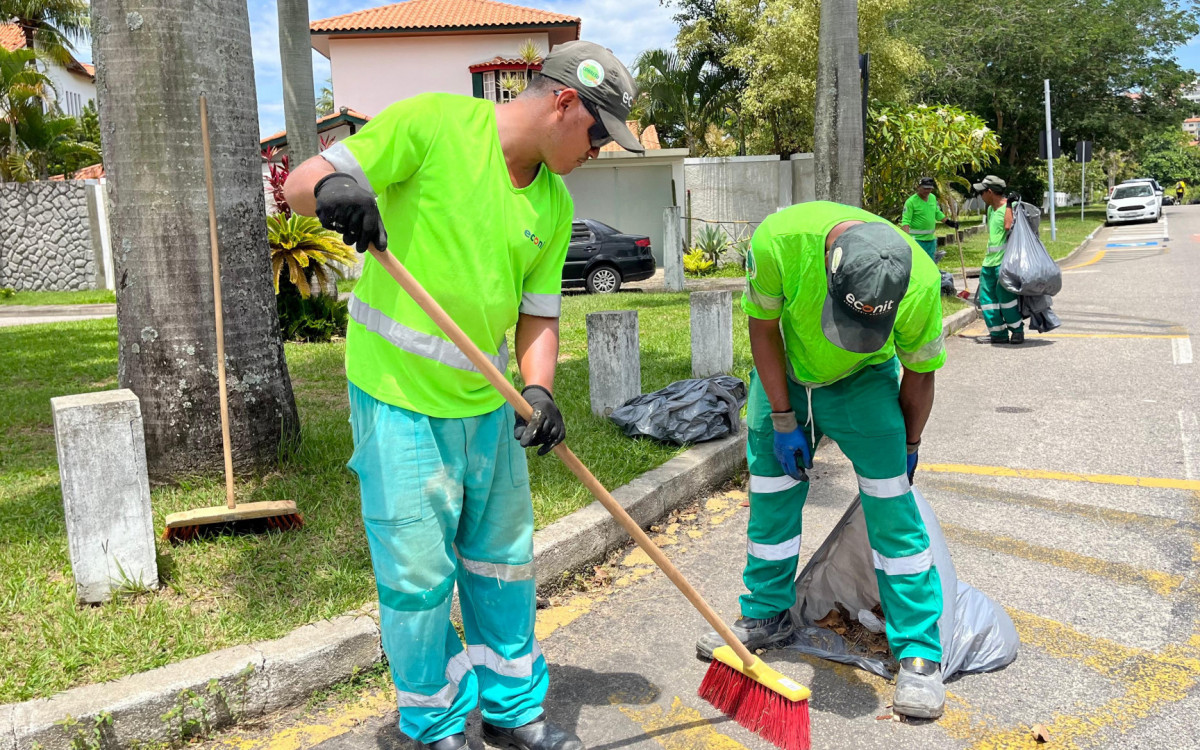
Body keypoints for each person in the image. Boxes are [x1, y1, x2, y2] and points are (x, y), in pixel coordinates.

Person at [283, 41, 645, 750]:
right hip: (399, 397)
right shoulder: (434, 125)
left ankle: (512, 711)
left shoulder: (553, 203)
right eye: (597, 133)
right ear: (563, 102)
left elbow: (538, 315)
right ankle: (436, 721)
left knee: (503, 565)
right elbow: (301, 183)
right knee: (417, 576)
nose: (598, 151)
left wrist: (539, 390)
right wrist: (336, 191)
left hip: (489, 405)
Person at [694, 201, 949, 719]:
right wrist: (782, 415)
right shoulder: (779, 243)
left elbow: (920, 373)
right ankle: (766, 615)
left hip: (864, 383)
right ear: (831, 269)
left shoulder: (920, 284)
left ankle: (919, 652)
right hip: (786, 372)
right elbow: (763, 327)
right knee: (771, 500)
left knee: (893, 512)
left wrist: (910, 444)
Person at [974, 175, 1024, 344]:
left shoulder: (1012, 207)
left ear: (989, 192)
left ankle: (1017, 331)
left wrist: (1009, 204)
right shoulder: (990, 209)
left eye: (982, 192)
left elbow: (1008, 226)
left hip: (1004, 263)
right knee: (987, 300)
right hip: (989, 262)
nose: (980, 195)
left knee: (1006, 299)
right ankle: (998, 334)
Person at [901, 177, 959, 262]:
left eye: (929, 188)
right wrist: (907, 240)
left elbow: (937, 213)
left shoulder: (932, 198)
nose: (927, 191)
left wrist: (949, 222)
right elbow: (906, 221)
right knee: (918, 263)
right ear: (918, 187)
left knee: (930, 263)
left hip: (931, 240)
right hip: (917, 240)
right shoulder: (911, 202)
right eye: (925, 188)